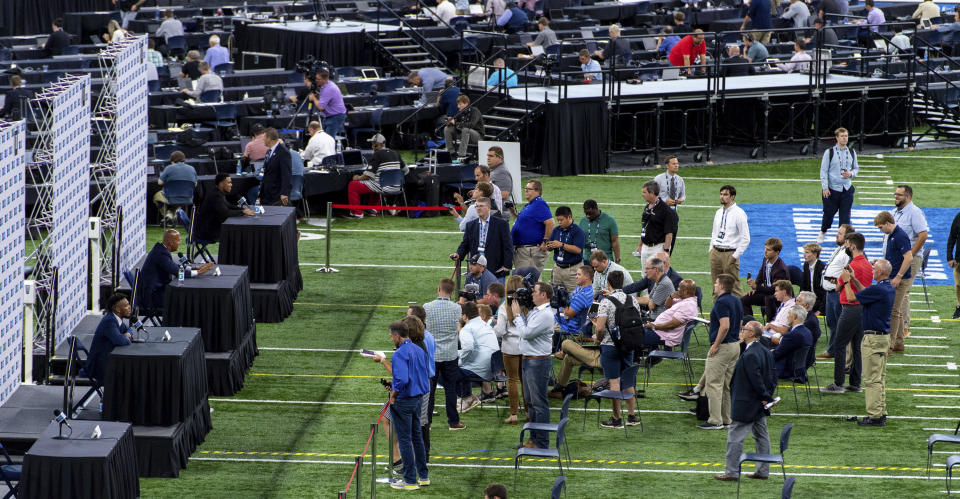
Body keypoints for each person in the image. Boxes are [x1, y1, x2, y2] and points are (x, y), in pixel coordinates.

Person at [714, 321, 777, 482]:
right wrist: (767, 396)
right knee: (761, 436)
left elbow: (755, 380)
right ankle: (763, 470)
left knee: (735, 438)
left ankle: (732, 472)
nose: (741, 331)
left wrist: (765, 397)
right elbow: (772, 377)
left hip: (747, 403)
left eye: (744, 329)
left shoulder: (750, 354)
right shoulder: (764, 351)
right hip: (758, 404)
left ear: (751, 334)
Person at [821, 231, 872, 394]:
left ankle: (838, 383)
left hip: (850, 309)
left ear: (854, 246)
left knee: (840, 344)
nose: (846, 247)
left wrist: (840, 282)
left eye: (848, 245)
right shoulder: (868, 264)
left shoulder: (851, 266)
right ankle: (855, 383)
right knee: (856, 346)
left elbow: (838, 287)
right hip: (863, 308)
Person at [382, 321, 430, 490]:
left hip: (404, 400)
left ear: (397, 335)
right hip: (419, 398)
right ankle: (423, 476)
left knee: (404, 440)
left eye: (391, 336)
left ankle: (409, 480)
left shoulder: (400, 353)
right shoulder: (419, 349)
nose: (391, 339)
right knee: (417, 437)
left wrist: (393, 395)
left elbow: (402, 380)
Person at [590, 271, 640, 428]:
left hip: (610, 346)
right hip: (629, 344)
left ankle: (616, 418)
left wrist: (597, 338)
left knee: (614, 382)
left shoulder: (605, 302)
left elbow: (599, 329)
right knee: (628, 380)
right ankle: (632, 417)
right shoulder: (633, 300)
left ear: (608, 284)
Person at [850, 259, 895, 426]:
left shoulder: (879, 290)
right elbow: (866, 293)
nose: (872, 270)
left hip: (873, 339)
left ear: (881, 272)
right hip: (883, 337)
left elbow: (852, 297)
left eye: (874, 268)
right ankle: (880, 411)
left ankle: (875, 416)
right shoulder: (886, 288)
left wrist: (847, 281)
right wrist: (855, 279)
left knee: (871, 379)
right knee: (880, 377)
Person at [512, 282, 555, 447]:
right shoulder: (536, 311)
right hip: (529, 360)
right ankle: (534, 439)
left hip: (538, 362)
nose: (532, 294)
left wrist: (517, 316)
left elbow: (526, 333)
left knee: (539, 403)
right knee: (531, 402)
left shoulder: (545, 315)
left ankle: (542, 441)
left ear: (543, 294)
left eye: (535, 292)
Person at [700, 274, 743, 430]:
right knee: (725, 385)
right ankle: (726, 419)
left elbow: (725, 325)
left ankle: (715, 420)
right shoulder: (736, 300)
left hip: (723, 346)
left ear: (722, 286)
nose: (715, 285)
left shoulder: (721, 302)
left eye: (717, 283)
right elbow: (738, 322)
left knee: (713, 384)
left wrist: (716, 344)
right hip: (734, 345)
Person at [424, 278, 466, 430]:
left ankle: (426, 422)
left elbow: (424, 329)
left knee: (430, 390)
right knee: (451, 389)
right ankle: (453, 422)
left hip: (432, 355)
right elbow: (457, 327)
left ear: (438, 289)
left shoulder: (427, 307)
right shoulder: (457, 309)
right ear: (452, 292)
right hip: (450, 354)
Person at [891, 184, 928, 350]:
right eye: (895, 194)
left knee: (902, 292)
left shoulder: (914, 212)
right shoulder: (895, 213)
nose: (896, 197)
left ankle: (904, 328)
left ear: (908, 196)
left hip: (909, 259)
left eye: (899, 195)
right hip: (897, 259)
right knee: (900, 293)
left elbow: (923, 235)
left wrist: (911, 254)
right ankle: (901, 334)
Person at [139, 230, 214, 313]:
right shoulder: (161, 254)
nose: (180, 242)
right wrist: (198, 273)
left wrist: (195, 268)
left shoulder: (161, 250)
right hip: (152, 296)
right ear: (170, 243)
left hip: (156, 290)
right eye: (178, 240)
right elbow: (178, 272)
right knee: (182, 299)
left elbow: (173, 266)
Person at [875, 211, 913, 354]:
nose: (880, 230)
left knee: (894, 311)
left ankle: (890, 345)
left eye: (880, 227)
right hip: (896, 277)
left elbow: (908, 258)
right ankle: (899, 342)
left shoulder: (900, 236)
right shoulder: (892, 235)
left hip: (900, 279)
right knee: (897, 311)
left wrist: (898, 276)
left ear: (887, 224)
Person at [345, 134, 407, 218]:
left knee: (353, 185)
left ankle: (357, 213)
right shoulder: (395, 153)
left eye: (374, 144)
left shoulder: (377, 154)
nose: (372, 146)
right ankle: (373, 208)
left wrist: (357, 178)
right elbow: (406, 171)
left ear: (381, 144)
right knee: (376, 180)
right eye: (372, 144)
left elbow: (368, 175)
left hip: (383, 187)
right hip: (398, 187)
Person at [817, 224, 853, 360]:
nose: (837, 235)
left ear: (847, 237)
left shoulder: (847, 253)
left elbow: (849, 270)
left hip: (837, 292)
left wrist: (839, 282)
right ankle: (833, 350)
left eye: (840, 233)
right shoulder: (840, 249)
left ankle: (840, 352)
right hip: (830, 293)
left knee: (839, 323)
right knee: (832, 322)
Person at [452, 196, 513, 277]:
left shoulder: (501, 224)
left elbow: (508, 246)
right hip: (476, 266)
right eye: (477, 206)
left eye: (481, 206)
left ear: (488, 207)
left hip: (495, 267)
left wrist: (507, 265)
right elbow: (465, 244)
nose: (478, 208)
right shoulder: (470, 225)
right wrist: (458, 254)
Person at [457, 302, 501, 410]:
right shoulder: (486, 325)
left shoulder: (467, 329)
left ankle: (467, 397)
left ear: (464, 316)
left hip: (481, 371)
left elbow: (468, 348)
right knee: (460, 366)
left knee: (444, 371)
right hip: (494, 369)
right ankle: (466, 396)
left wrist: (459, 361)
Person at [83, 294, 133, 386]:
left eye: (128, 304)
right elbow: (120, 341)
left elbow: (129, 330)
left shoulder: (116, 318)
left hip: (108, 359)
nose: (129, 307)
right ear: (117, 309)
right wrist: (126, 337)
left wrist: (127, 334)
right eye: (126, 305)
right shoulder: (109, 321)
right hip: (99, 365)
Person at [709, 185, 750, 297]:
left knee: (734, 287)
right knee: (716, 286)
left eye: (725, 194)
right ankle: (718, 312)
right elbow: (714, 233)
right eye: (721, 194)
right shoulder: (718, 212)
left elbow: (746, 238)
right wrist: (711, 251)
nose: (722, 197)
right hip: (716, 252)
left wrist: (735, 256)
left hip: (730, 253)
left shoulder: (739, 214)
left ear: (732, 197)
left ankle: (742, 312)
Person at [494, 276, 525, 423]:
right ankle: (529, 412)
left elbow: (499, 331)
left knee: (512, 380)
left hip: (509, 347)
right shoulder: (528, 305)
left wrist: (493, 328)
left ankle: (514, 415)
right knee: (525, 381)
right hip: (526, 346)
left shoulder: (504, 307)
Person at [194, 174, 254, 242]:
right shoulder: (216, 196)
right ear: (221, 184)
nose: (231, 185)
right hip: (206, 232)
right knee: (236, 233)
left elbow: (228, 205)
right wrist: (243, 212)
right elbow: (226, 213)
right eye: (229, 182)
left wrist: (243, 209)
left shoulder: (218, 192)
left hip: (208, 227)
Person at [511, 180, 554, 273]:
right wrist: (513, 213)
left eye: (528, 189)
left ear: (537, 191)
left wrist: (545, 241)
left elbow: (550, 223)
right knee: (524, 280)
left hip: (530, 250)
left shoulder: (539, 204)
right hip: (524, 250)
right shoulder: (530, 205)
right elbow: (524, 223)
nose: (525, 191)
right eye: (525, 189)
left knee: (529, 280)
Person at [741, 238, 789, 321]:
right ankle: (750, 324)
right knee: (745, 299)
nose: (765, 252)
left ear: (777, 252)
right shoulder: (766, 259)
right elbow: (761, 273)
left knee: (769, 299)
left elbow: (773, 290)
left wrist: (757, 287)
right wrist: (755, 289)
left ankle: (770, 325)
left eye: (768, 250)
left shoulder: (781, 270)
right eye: (765, 249)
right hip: (767, 293)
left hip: (778, 296)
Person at [644, 278, 698, 349]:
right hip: (661, 331)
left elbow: (672, 325)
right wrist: (671, 296)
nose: (677, 289)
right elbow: (667, 305)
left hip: (665, 335)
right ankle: (652, 354)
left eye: (679, 287)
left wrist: (654, 327)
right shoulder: (685, 300)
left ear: (685, 292)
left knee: (632, 336)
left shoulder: (688, 306)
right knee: (635, 332)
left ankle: (649, 357)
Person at [635, 181, 677, 266]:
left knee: (657, 276)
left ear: (652, 193)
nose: (642, 194)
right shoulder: (647, 207)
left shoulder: (666, 211)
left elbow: (669, 233)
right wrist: (640, 245)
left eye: (644, 192)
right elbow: (644, 228)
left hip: (658, 247)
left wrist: (666, 251)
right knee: (645, 275)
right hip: (645, 247)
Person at [546, 206, 585, 292]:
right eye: (558, 220)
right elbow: (549, 246)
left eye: (561, 220)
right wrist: (549, 246)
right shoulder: (556, 230)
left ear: (569, 217)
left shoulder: (578, 231)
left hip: (573, 270)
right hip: (558, 268)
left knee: (573, 295)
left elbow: (578, 250)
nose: (559, 222)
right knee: (555, 295)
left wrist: (561, 245)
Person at [554, 265, 594, 345]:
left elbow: (568, 314)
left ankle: (553, 345)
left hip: (572, 325)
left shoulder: (584, 295)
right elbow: (568, 302)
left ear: (586, 277)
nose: (576, 277)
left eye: (579, 275)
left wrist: (562, 304)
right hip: (569, 319)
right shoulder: (580, 288)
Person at [770, 305, 813, 380]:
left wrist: (766, 354)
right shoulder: (808, 332)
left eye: (789, 314)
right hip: (800, 369)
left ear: (795, 316)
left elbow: (777, 354)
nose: (787, 317)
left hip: (786, 370)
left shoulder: (792, 335)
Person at [153, 151, 197, 223]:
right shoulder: (192, 168)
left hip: (171, 197)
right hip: (188, 198)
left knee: (156, 197)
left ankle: (167, 215)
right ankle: (171, 215)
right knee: (177, 202)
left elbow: (159, 182)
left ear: (172, 161)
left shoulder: (169, 168)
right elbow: (195, 184)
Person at [653, 155, 685, 252]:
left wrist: (681, 199)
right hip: (660, 214)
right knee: (659, 241)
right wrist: (664, 200)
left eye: (677, 163)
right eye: (674, 164)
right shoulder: (658, 179)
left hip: (673, 214)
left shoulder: (680, 180)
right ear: (667, 166)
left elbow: (683, 195)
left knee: (671, 243)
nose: (676, 166)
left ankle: (666, 260)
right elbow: (652, 195)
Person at [579, 200, 620, 265]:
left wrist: (617, 260)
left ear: (596, 209)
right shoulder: (583, 221)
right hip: (588, 260)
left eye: (590, 213)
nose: (588, 216)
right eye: (586, 213)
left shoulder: (609, 220)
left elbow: (615, 241)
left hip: (605, 260)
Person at [635, 257, 676, 321]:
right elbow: (650, 299)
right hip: (656, 318)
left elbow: (651, 306)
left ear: (656, 270)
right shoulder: (659, 280)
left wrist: (650, 301)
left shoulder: (663, 284)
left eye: (647, 269)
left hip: (658, 322)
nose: (645, 271)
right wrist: (630, 299)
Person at [259, 128, 292, 206]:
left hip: (277, 193)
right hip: (267, 193)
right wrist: (261, 193)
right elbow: (265, 172)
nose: (263, 140)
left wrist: (284, 193)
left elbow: (286, 174)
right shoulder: (268, 152)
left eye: (264, 137)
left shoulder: (283, 152)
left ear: (269, 138)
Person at [310, 70, 347, 138]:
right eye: (316, 78)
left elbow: (321, 107)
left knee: (328, 139)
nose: (316, 80)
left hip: (336, 116)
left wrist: (314, 98)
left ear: (325, 79)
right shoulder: (326, 85)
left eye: (318, 79)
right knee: (324, 137)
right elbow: (325, 99)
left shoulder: (328, 88)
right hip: (328, 115)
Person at [800, 242, 826, 315]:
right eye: (804, 252)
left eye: (807, 252)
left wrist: (820, 310)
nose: (804, 255)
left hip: (819, 301)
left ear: (815, 254)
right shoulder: (806, 265)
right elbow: (803, 285)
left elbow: (825, 292)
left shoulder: (822, 267)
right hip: (809, 299)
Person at [948, 210, 960, 319]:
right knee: (958, 285)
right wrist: (949, 257)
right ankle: (959, 306)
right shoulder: (959, 217)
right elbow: (952, 236)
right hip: (959, 259)